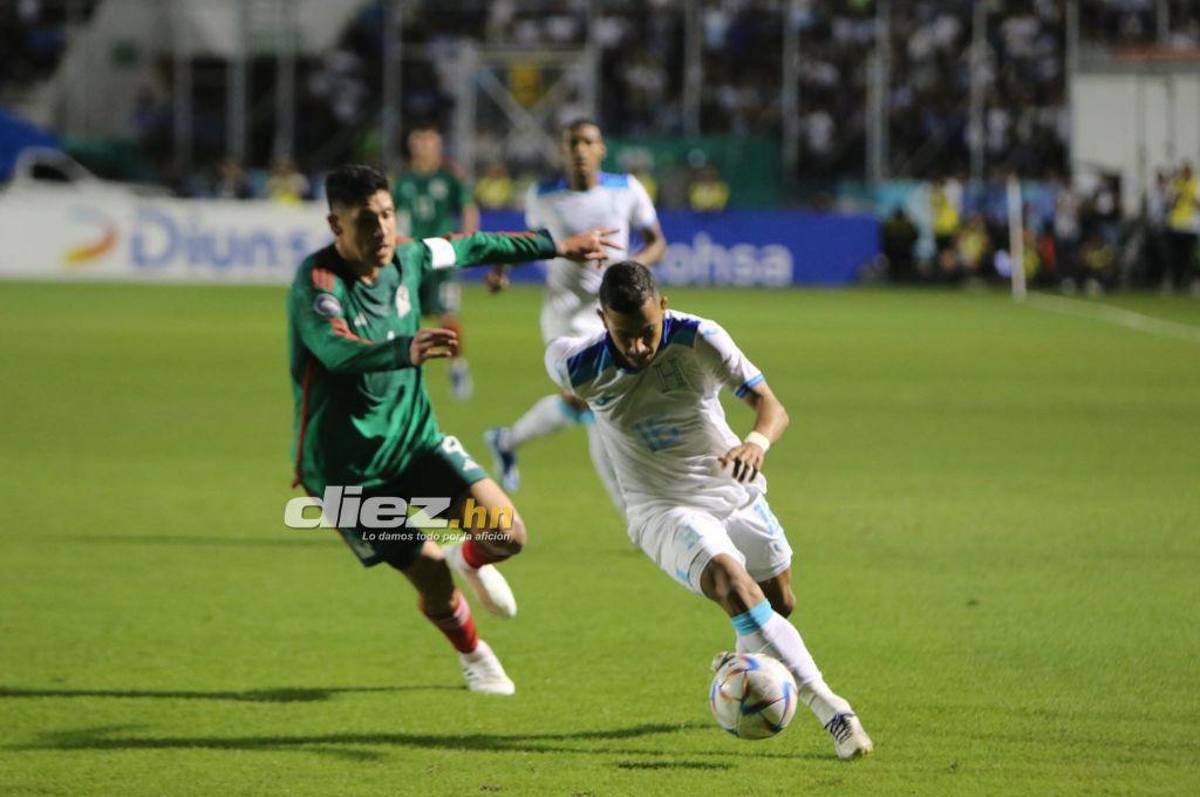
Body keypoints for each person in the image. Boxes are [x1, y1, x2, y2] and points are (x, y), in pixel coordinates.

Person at [288, 164, 615, 695]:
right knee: (430, 576)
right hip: (345, 474)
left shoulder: (410, 258)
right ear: (335, 225)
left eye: (388, 215)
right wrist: (403, 349)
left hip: (414, 443)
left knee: (506, 535)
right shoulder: (319, 284)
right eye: (366, 221)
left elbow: (469, 246)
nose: (382, 231)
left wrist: (556, 245)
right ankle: (474, 654)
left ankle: (472, 557)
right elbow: (334, 349)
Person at [544, 262, 873, 760]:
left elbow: (772, 406)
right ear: (602, 319)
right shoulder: (576, 364)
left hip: (729, 485)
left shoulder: (700, 338)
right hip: (660, 507)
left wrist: (756, 443)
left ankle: (739, 667)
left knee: (777, 604)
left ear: (665, 307)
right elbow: (567, 384)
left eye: (647, 332)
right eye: (624, 334)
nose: (637, 347)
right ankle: (834, 712)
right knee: (731, 584)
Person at [485, 119, 667, 511]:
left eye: (588, 142)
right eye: (572, 143)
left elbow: (656, 243)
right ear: (561, 152)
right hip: (564, 311)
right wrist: (503, 270)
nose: (580, 150)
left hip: (613, 312)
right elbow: (534, 245)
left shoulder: (626, 189)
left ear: (601, 149)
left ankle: (506, 441)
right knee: (599, 402)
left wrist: (631, 271)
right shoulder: (543, 196)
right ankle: (631, 510)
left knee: (580, 404)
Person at [392, 123, 481, 398]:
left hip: (443, 258)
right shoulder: (403, 180)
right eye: (419, 142)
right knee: (404, 318)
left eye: (429, 142)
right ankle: (405, 375)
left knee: (448, 318)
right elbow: (390, 216)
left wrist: (466, 242)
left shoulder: (450, 176)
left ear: (438, 146)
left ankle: (457, 368)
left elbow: (468, 208)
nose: (424, 148)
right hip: (412, 258)